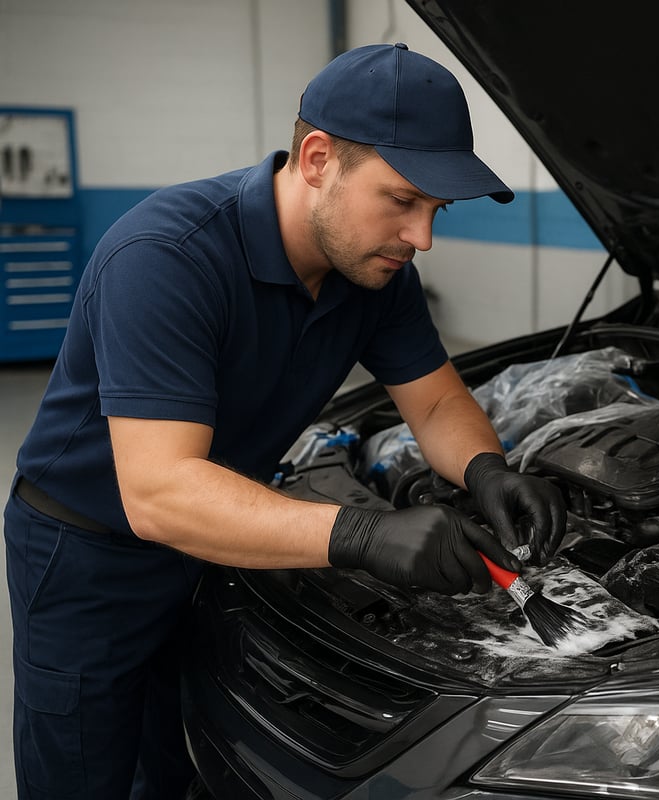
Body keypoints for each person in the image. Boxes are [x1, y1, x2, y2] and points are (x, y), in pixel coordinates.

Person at [3, 43, 566, 799]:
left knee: (174, 760)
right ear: (317, 159)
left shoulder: (375, 275)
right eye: (402, 200)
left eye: (438, 210)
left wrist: (486, 469)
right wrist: (364, 534)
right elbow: (158, 492)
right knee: (84, 771)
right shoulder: (166, 257)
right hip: (89, 555)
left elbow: (434, 401)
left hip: (219, 536)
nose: (422, 237)